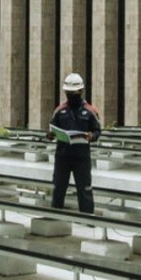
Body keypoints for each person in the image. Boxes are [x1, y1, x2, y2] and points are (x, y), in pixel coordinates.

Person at [46, 72, 102, 214]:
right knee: (59, 188)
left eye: (74, 92)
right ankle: (56, 217)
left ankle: (87, 217)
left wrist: (91, 136)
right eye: (69, 92)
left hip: (81, 157)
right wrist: (51, 135)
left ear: (81, 91)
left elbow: (97, 131)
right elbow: (52, 128)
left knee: (84, 189)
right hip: (62, 156)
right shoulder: (60, 110)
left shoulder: (90, 111)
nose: (71, 95)